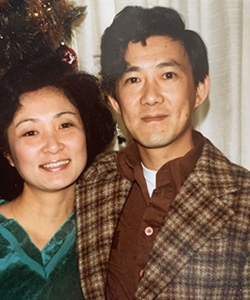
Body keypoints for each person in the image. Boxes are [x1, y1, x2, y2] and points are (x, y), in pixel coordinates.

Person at [76, 6, 250, 300]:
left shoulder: (242, 201)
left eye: (168, 75)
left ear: (200, 89)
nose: (151, 96)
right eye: (133, 80)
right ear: (114, 101)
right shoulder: (90, 182)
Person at [0, 52, 115, 299]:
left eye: (65, 125)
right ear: (7, 152)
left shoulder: (108, 231)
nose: (53, 145)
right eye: (30, 132)